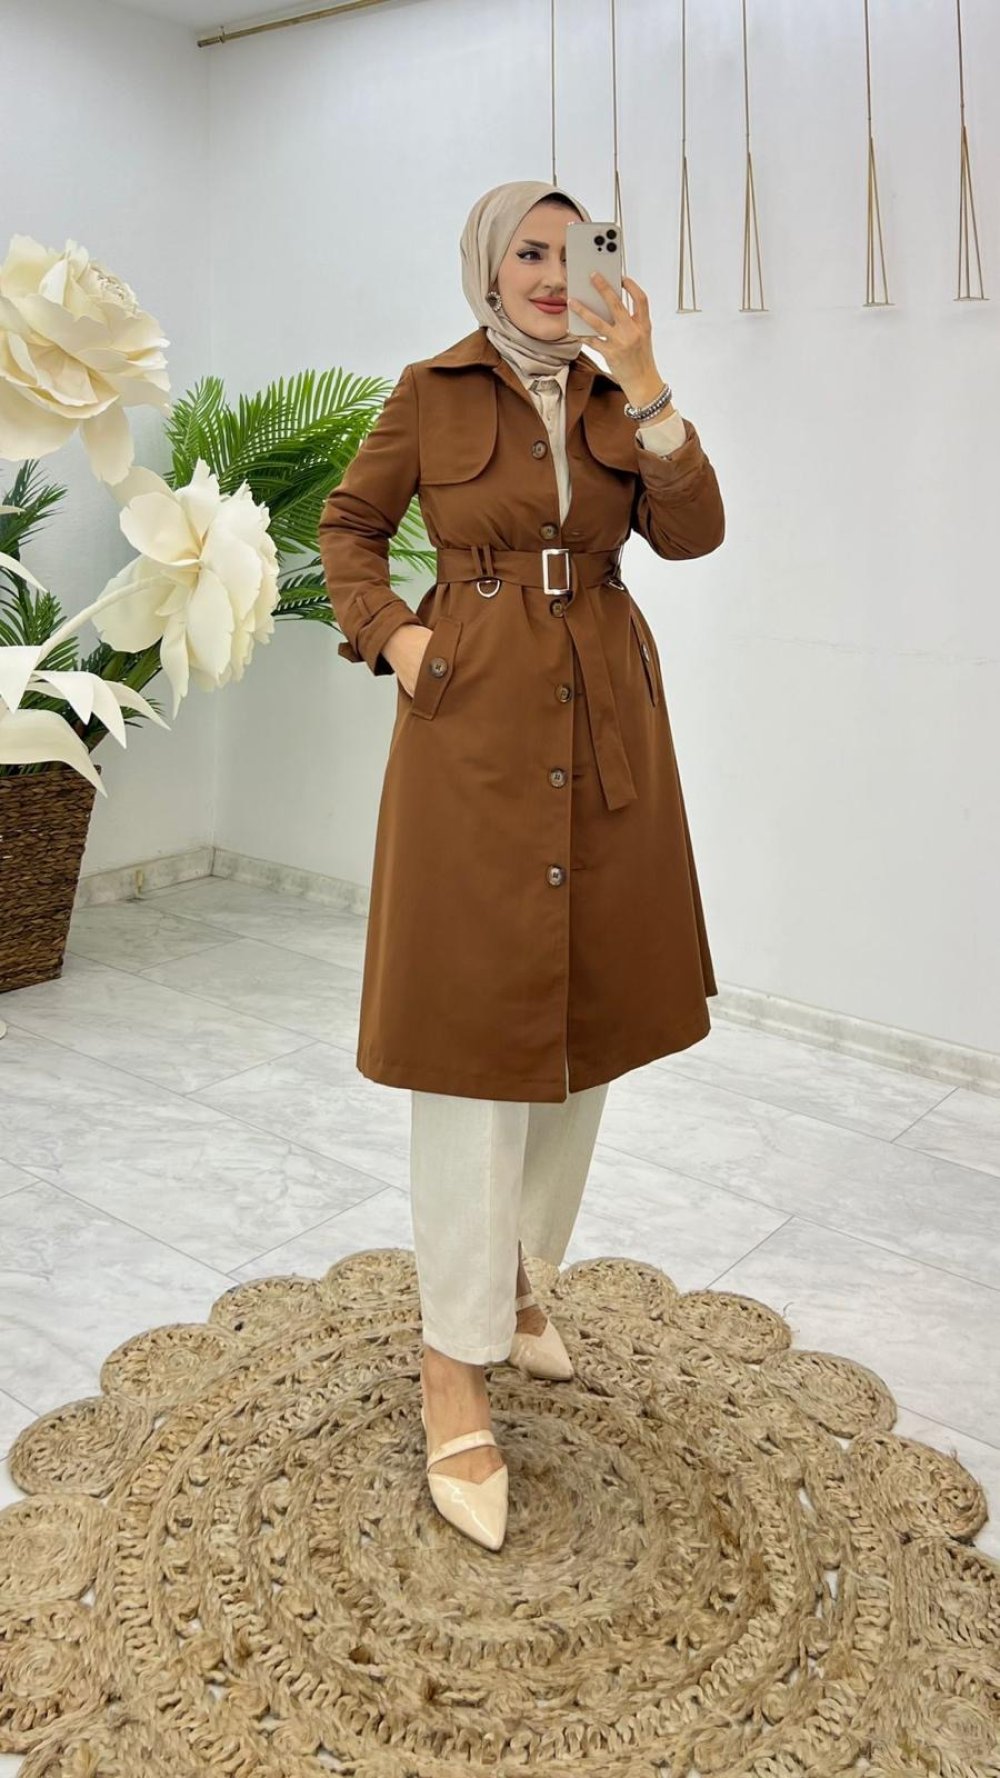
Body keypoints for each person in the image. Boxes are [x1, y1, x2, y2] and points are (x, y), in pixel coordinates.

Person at [317, 179, 725, 1550]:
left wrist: (648, 381)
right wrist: (398, 639)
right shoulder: (430, 391)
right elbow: (348, 527)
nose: (555, 273)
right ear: (489, 267)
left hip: (605, 729)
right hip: (474, 733)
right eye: (530, 252)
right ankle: (454, 1362)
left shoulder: (616, 396)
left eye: (577, 250)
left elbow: (695, 530)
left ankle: (515, 1274)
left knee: (585, 1022)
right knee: (473, 1045)